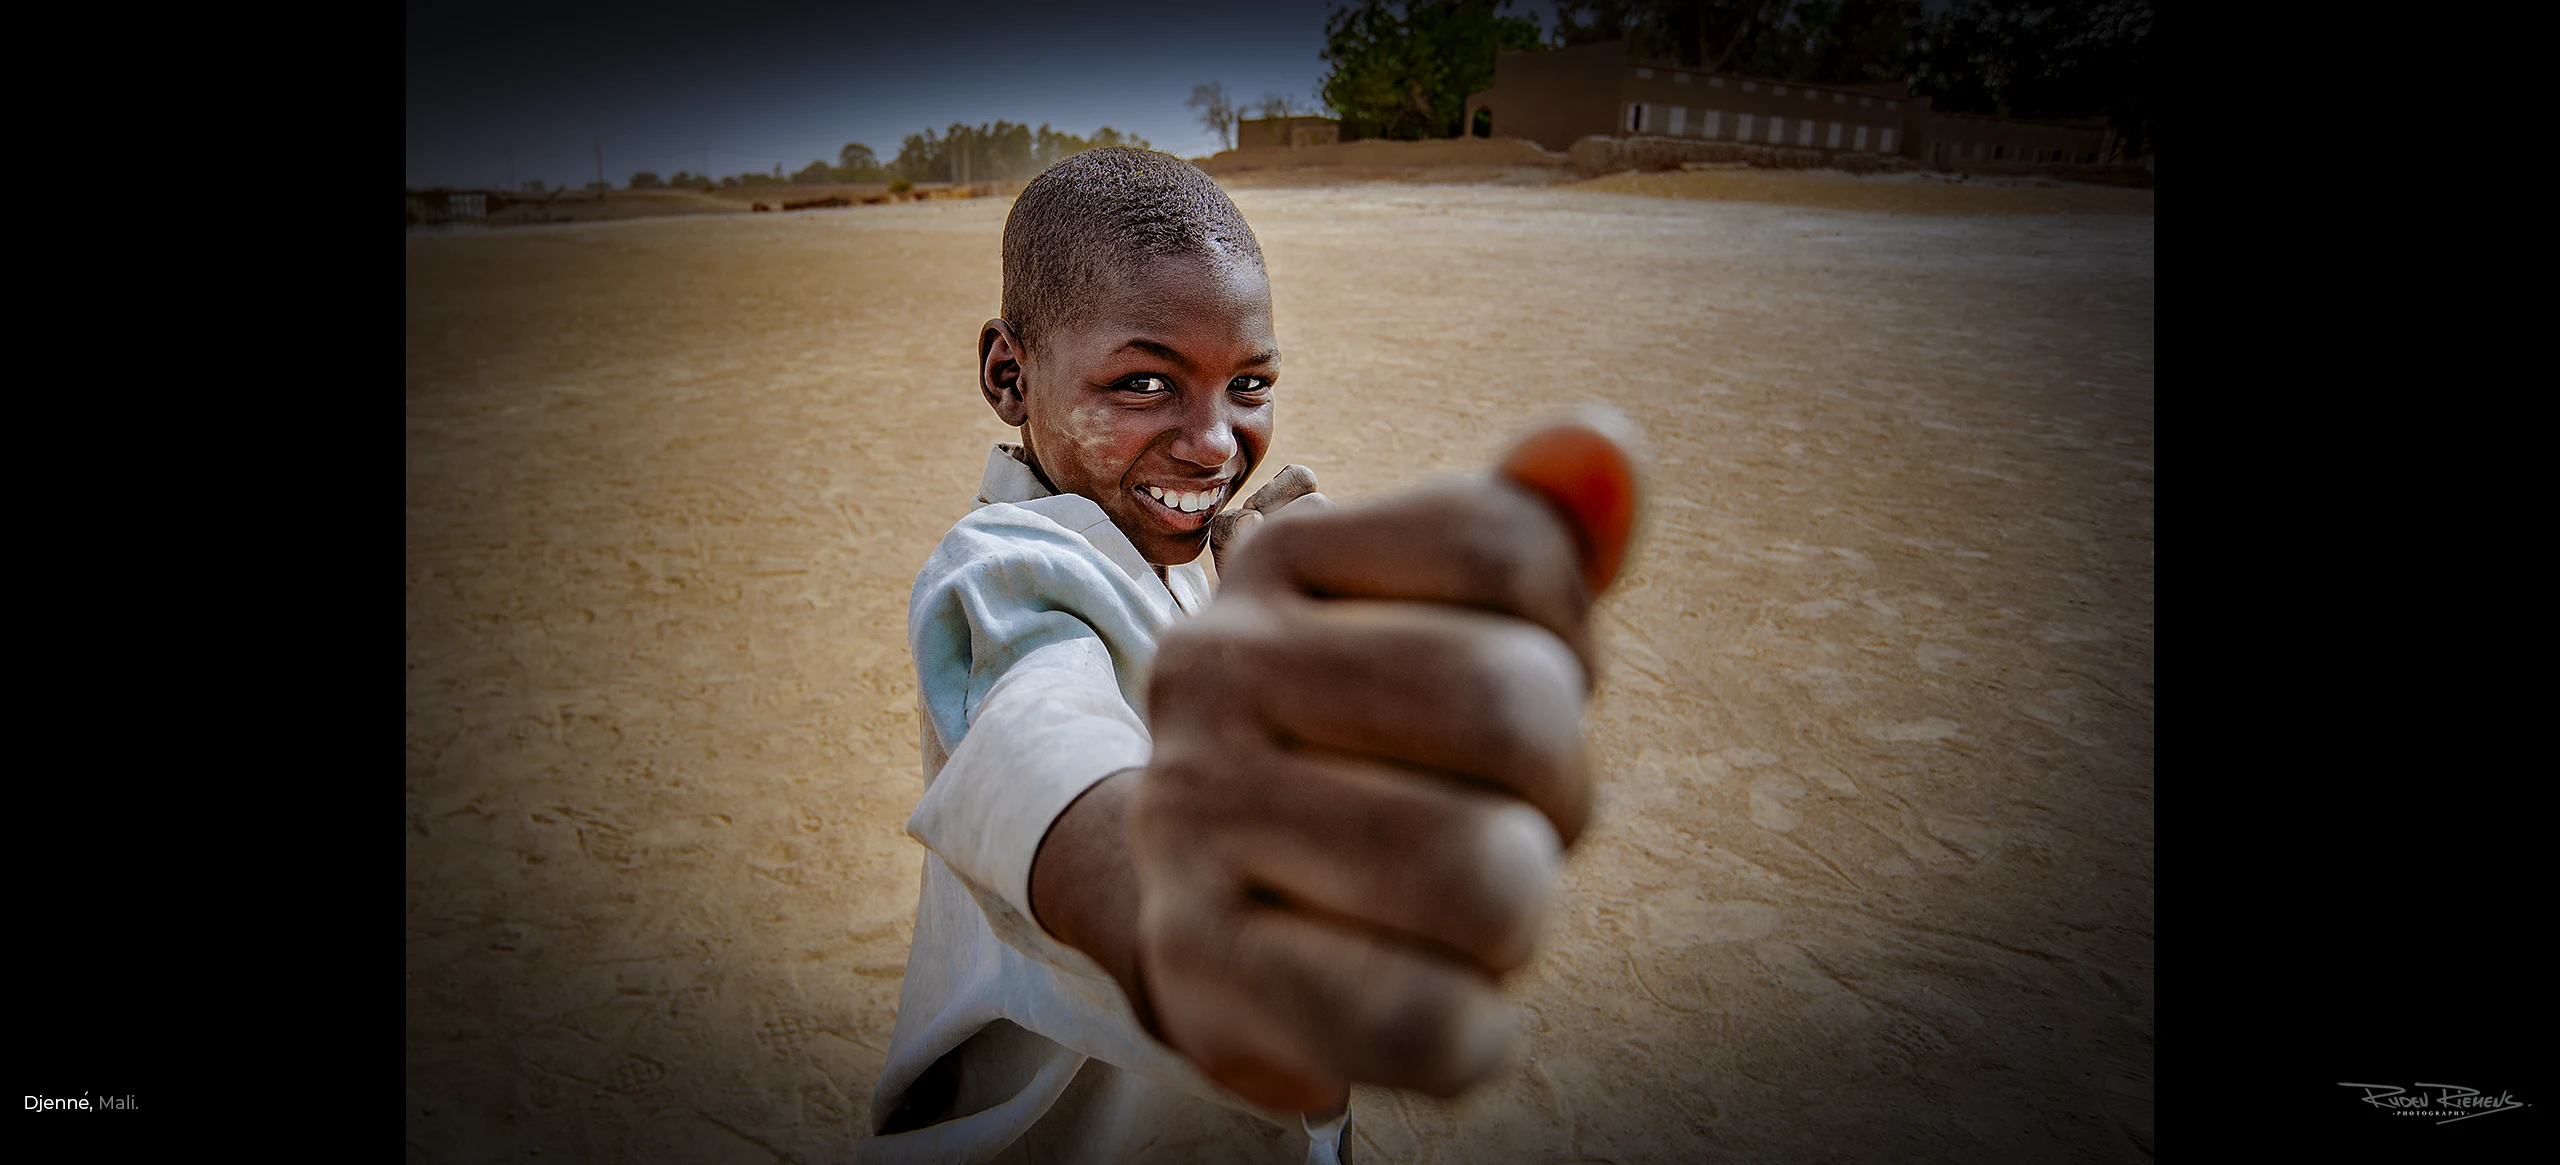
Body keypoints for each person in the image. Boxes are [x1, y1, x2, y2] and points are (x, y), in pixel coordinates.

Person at [861, 148, 1640, 1165]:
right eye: (1143, 382)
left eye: (1250, 384)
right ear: (1010, 375)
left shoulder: (1200, 547)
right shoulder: (1007, 569)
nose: (1214, 443)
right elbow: (1039, 734)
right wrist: (1171, 910)